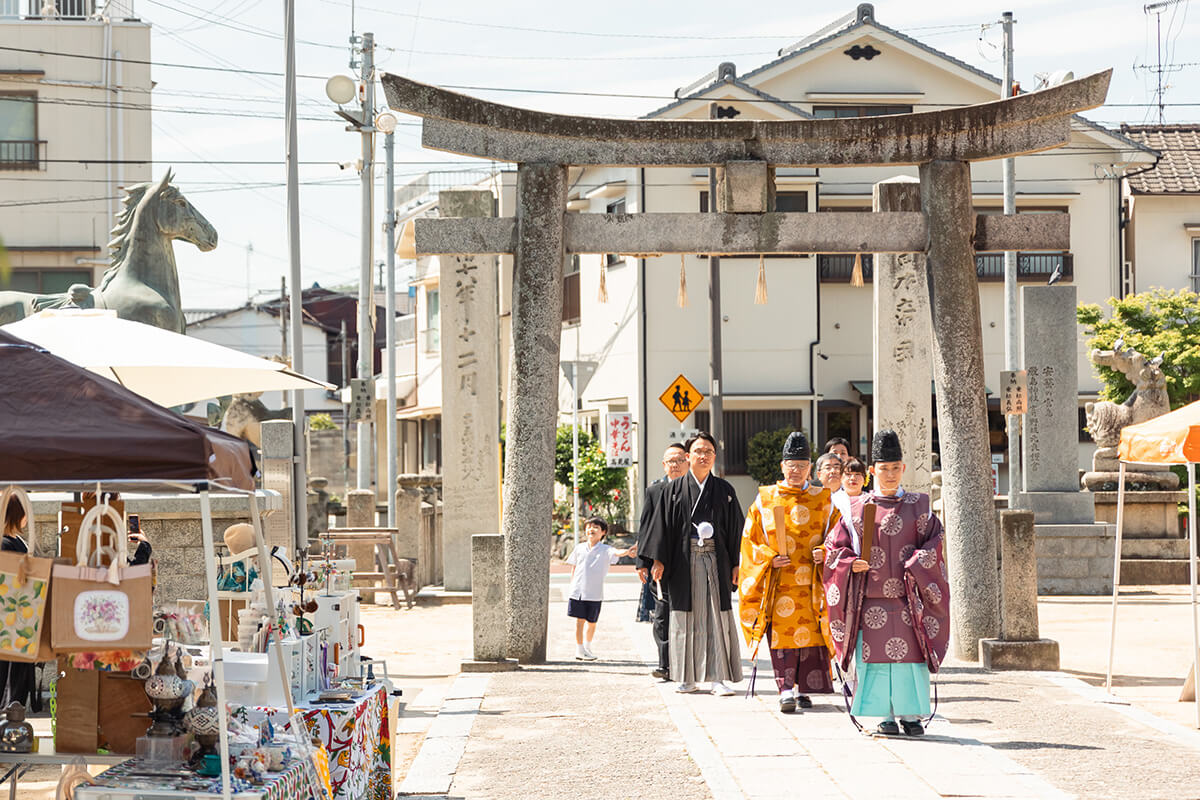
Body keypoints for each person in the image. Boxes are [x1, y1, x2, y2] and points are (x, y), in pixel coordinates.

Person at [817, 430, 950, 737]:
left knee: (910, 661)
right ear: (873, 471)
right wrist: (851, 564)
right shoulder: (855, 509)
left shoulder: (920, 506)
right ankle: (883, 715)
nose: (889, 474)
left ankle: (911, 715)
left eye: (895, 468)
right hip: (870, 599)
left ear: (903, 468)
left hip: (908, 598)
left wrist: (917, 564)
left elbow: (935, 543)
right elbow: (834, 550)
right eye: (883, 468)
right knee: (874, 661)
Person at [738, 431, 838, 713]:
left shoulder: (824, 499)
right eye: (791, 465)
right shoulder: (765, 499)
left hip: (812, 583)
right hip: (780, 581)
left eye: (802, 465)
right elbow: (750, 540)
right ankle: (784, 690)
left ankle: (805, 689)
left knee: (812, 635)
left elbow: (837, 536)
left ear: (810, 467)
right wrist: (768, 558)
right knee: (783, 637)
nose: (796, 471)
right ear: (782, 466)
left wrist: (826, 553)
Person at [643, 432, 744, 695]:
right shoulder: (672, 490)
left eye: (708, 451)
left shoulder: (724, 490)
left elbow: (736, 529)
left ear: (714, 456)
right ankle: (685, 678)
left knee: (716, 617)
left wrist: (736, 563)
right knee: (682, 619)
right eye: (698, 451)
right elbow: (660, 527)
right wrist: (658, 560)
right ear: (688, 457)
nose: (703, 456)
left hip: (716, 559)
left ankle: (717, 679)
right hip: (682, 560)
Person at [636, 443, 689, 680]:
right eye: (670, 461)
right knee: (662, 613)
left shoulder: (695, 489)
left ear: (687, 461)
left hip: (689, 561)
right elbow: (646, 527)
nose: (675, 465)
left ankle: (688, 662)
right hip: (661, 566)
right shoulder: (655, 491)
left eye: (679, 460)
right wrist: (642, 562)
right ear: (664, 465)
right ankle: (665, 663)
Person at [567, 517, 635, 661]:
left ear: (603, 532)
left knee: (592, 622)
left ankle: (587, 647)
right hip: (578, 592)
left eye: (596, 527)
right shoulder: (579, 548)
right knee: (580, 621)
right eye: (589, 527)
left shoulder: (606, 549)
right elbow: (574, 566)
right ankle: (579, 650)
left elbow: (617, 552)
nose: (591, 530)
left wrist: (628, 552)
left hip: (594, 593)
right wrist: (572, 583)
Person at [0, 495, 35, 710]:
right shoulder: (6, 543)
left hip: (15, 621)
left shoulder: (11, 540)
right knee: (11, 682)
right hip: (12, 624)